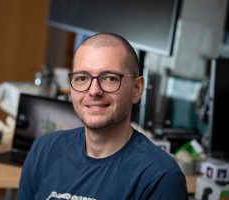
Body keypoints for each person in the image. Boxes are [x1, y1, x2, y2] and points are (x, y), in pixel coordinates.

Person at [17, 33, 189, 200]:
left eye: (110, 78)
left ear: (136, 89)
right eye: (82, 78)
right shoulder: (44, 150)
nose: (94, 91)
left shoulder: (160, 178)